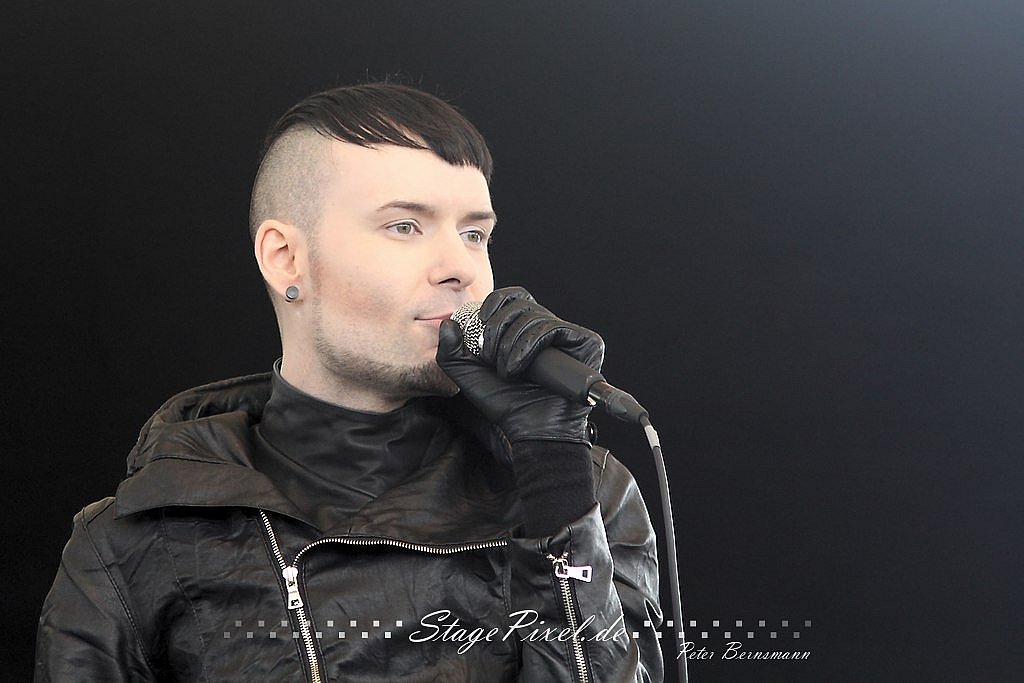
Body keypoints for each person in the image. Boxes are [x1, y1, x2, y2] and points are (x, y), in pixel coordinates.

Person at [35, 83, 663, 682]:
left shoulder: (585, 494)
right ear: (286, 258)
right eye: (405, 226)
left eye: (474, 234)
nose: (460, 269)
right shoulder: (132, 543)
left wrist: (552, 470)